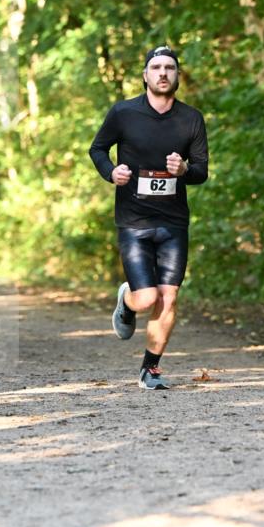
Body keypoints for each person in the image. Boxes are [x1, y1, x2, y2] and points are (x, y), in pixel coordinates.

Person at [89, 46, 209, 390]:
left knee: (169, 297)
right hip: (134, 220)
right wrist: (111, 173)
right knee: (147, 299)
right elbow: (97, 149)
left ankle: (150, 369)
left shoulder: (191, 119)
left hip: (173, 222)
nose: (162, 73)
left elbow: (201, 171)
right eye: (155, 67)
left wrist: (185, 169)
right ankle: (127, 300)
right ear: (145, 75)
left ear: (177, 76)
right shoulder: (124, 113)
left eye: (169, 68)